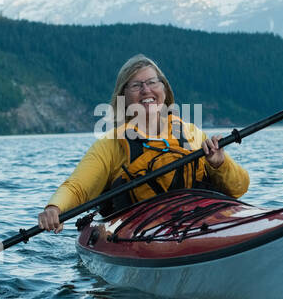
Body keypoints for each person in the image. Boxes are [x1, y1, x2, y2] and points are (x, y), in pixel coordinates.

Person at [37, 54, 249, 232]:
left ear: (164, 90)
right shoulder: (111, 144)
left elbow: (239, 188)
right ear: (124, 97)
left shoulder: (191, 133)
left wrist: (219, 164)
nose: (146, 90)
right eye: (136, 85)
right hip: (140, 233)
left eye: (152, 82)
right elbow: (78, 187)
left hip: (196, 223)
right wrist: (55, 208)